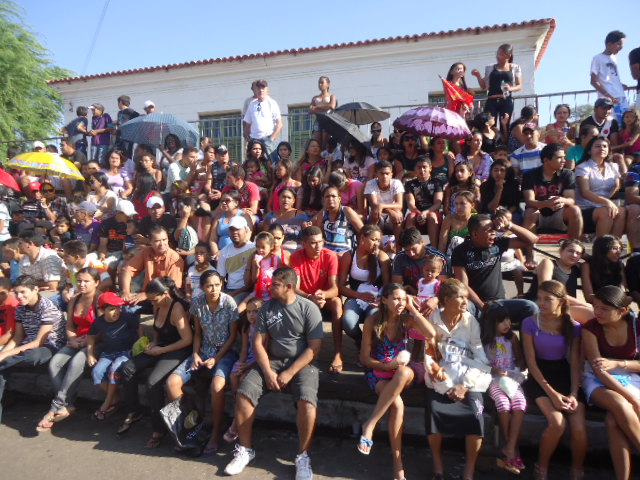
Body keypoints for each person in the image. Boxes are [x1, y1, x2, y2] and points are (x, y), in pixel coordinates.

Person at [223, 267, 322, 480]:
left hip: (302, 364)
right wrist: (268, 371)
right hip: (273, 361)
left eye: (275, 284)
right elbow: (258, 343)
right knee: (244, 393)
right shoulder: (267, 308)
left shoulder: (309, 308)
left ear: (289, 286)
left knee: (307, 402)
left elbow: (314, 348)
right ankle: (245, 450)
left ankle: (303, 456)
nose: (269, 287)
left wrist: (289, 373)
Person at [357, 283, 436, 480]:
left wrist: (413, 309)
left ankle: (370, 424)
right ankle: (398, 466)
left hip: (402, 373)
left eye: (403, 299)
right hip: (379, 372)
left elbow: (431, 334)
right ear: (384, 300)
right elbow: (364, 358)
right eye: (396, 299)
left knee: (402, 372)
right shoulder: (372, 321)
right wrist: (387, 366)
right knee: (398, 406)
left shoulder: (406, 320)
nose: (400, 303)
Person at [424, 279, 491, 480]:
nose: (465, 301)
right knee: (433, 413)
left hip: (468, 379)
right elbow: (429, 356)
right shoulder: (433, 319)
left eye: (466, 297)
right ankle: (438, 468)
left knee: (476, 417)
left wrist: (464, 385)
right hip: (440, 380)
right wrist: (446, 386)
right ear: (446, 300)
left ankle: (469, 471)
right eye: (460, 297)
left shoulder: (470, 321)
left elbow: (481, 357)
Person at [166, 270, 239, 454]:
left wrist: (216, 358)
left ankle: (215, 432)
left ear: (221, 284)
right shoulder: (198, 302)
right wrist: (196, 354)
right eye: (209, 286)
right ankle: (188, 428)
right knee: (172, 382)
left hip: (225, 353)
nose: (214, 289)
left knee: (217, 385)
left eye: (217, 285)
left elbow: (232, 336)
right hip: (203, 350)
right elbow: (197, 333)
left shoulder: (229, 303)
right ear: (202, 287)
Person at [522, 280, 587, 480]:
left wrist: (574, 392)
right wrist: (553, 394)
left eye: (547, 299)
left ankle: (577, 470)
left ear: (561, 301)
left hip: (565, 375)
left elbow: (575, 363)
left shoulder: (573, 326)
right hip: (539, 377)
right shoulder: (530, 322)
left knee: (579, 429)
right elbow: (531, 363)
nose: (541, 303)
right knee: (557, 423)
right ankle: (541, 467)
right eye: (539, 298)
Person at [117, 277, 192, 448]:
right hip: (161, 346)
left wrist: (161, 350)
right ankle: (134, 411)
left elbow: (187, 339)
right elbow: (155, 328)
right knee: (127, 368)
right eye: (150, 300)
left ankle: (159, 428)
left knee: (153, 381)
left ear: (165, 294)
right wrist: (154, 342)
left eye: (154, 299)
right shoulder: (156, 304)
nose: (151, 303)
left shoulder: (177, 308)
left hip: (177, 349)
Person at [581, 286, 640, 480]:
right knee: (621, 405)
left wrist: (618, 363)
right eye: (595, 306)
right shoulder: (591, 328)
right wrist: (632, 398)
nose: (597, 312)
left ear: (622, 311)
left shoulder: (636, 326)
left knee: (613, 421)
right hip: (597, 380)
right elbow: (599, 369)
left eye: (604, 308)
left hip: (630, 377)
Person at [36, 267, 102, 431]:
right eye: (79, 281)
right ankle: (67, 404)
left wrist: (83, 343)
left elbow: (103, 330)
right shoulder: (74, 300)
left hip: (96, 342)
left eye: (86, 281)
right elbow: (70, 325)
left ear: (96, 283)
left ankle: (55, 407)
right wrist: (72, 339)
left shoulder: (100, 300)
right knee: (55, 363)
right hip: (77, 340)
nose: (82, 284)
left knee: (77, 361)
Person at [451, 213, 538, 324]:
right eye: (489, 230)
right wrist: (483, 307)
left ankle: (521, 335)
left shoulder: (497, 243)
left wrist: (509, 225)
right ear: (475, 234)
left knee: (530, 307)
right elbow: (463, 284)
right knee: (463, 309)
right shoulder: (461, 251)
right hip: (474, 304)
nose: (494, 233)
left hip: (498, 302)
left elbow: (532, 239)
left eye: (494, 229)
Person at [0, 275, 65, 421]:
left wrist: (5, 355)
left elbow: (38, 342)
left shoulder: (48, 307)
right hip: (27, 345)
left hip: (50, 345)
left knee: (32, 356)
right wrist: (3, 353)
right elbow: (17, 337)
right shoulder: (20, 308)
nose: (19, 296)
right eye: (17, 293)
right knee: (2, 368)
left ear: (35, 289)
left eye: (23, 292)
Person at [481, 303, 527, 474]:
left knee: (520, 404)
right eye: (501, 321)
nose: (507, 324)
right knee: (503, 404)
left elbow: (520, 359)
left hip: (511, 379)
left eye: (508, 320)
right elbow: (481, 363)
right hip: (493, 380)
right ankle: (510, 446)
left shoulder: (512, 338)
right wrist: (493, 370)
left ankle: (510, 446)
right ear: (491, 323)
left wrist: (519, 370)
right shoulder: (484, 341)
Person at [289, 226, 342, 373]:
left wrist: (323, 295)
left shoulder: (330, 256)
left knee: (337, 303)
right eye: (313, 243)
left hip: (324, 299)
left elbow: (335, 289)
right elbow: (295, 287)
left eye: (320, 242)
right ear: (303, 243)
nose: (318, 246)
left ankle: (338, 353)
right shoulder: (296, 257)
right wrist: (309, 297)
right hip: (305, 298)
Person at [87, 292, 140, 421]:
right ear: (102, 310)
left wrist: (140, 342)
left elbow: (139, 327)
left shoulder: (126, 317)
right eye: (111, 309)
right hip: (109, 353)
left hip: (126, 352)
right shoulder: (99, 322)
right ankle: (116, 398)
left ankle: (108, 401)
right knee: (97, 372)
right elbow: (90, 336)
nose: (116, 312)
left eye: (117, 308)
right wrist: (90, 354)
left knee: (114, 369)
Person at [339, 225, 391, 349]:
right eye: (373, 239)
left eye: (378, 240)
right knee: (348, 324)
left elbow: (388, 286)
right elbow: (341, 286)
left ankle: (368, 349)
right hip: (355, 297)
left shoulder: (382, 257)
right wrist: (359, 295)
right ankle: (362, 343)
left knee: (373, 322)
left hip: (377, 299)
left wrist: (381, 300)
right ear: (362, 238)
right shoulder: (349, 255)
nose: (376, 243)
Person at [522, 143, 582, 239]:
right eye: (559, 158)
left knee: (575, 210)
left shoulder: (568, 174)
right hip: (538, 213)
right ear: (546, 160)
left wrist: (562, 200)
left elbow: (571, 200)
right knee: (530, 212)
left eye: (564, 157)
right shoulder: (530, 175)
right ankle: (529, 246)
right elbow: (529, 202)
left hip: (560, 214)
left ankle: (574, 244)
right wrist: (547, 203)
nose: (564, 161)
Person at [224, 296, 263, 444]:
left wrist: (248, 366)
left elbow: (264, 353)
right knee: (234, 375)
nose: (252, 315)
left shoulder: (264, 328)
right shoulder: (246, 328)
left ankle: (237, 420)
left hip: (258, 361)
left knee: (242, 379)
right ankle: (238, 409)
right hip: (248, 359)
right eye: (249, 312)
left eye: (256, 311)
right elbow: (244, 349)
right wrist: (241, 363)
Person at [527, 239, 593, 323]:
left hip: (565, 306)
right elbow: (546, 289)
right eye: (570, 251)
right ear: (561, 251)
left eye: (578, 253)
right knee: (590, 314)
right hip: (543, 303)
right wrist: (581, 304)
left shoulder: (576, 268)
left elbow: (595, 261)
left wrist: (586, 256)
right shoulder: (548, 263)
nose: (574, 255)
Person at [120, 226, 185, 308]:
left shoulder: (175, 258)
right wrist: (126, 292)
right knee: (125, 308)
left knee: (130, 310)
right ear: (150, 241)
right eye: (157, 241)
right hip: (147, 297)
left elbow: (172, 287)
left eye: (164, 240)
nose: (162, 244)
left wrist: (147, 295)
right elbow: (127, 270)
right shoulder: (146, 252)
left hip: (165, 299)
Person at [575, 137, 625, 237]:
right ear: (589, 151)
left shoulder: (613, 166)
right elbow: (585, 192)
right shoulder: (583, 167)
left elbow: (617, 186)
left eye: (605, 146)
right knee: (606, 212)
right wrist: (606, 201)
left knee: (621, 211)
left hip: (605, 205)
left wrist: (608, 201)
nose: (602, 148)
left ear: (609, 150)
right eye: (597, 146)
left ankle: (614, 243)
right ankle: (600, 244)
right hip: (586, 208)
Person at [471, 44, 522, 133]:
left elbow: (519, 86)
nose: (498, 56)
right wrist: (478, 76)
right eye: (497, 53)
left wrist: (510, 88)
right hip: (492, 100)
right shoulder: (490, 67)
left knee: (505, 125)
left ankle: (504, 141)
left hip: (506, 100)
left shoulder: (515, 67)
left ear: (508, 56)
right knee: (489, 124)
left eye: (501, 54)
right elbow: (484, 86)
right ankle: (491, 141)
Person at [391, 227, 447, 297]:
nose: (411, 254)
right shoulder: (399, 258)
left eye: (414, 249)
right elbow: (397, 286)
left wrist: (434, 299)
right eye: (407, 250)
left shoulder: (437, 257)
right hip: (408, 296)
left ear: (422, 242)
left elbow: (443, 287)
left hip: (433, 296)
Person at [312, 185, 363, 255]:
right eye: (327, 196)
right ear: (323, 199)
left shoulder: (347, 211)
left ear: (339, 198)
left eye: (333, 196)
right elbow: (319, 235)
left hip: (345, 253)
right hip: (327, 253)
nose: (330, 199)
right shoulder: (322, 214)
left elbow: (363, 231)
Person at [591, 30, 629, 123]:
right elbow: (594, 81)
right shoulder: (598, 58)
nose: (621, 47)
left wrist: (620, 85)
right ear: (609, 44)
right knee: (612, 125)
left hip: (620, 96)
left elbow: (610, 76)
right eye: (619, 44)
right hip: (609, 99)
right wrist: (609, 96)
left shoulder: (614, 58)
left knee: (626, 124)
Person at [365, 160, 404, 247]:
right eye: (381, 173)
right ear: (376, 174)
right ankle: (375, 247)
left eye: (387, 173)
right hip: (378, 216)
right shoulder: (370, 184)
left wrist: (382, 205)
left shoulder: (396, 183)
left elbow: (399, 204)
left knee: (398, 214)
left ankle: (399, 248)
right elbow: (374, 205)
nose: (384, 176)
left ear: (391, 174)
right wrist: (390, 211)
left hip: (392, 216)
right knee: (375, 213)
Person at [216, 216, 256, 303]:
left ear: (246, 230)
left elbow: (253, 282)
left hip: (247, 292)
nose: (234, 232)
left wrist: (232, 294)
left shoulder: (254, 249)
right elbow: (221, 278)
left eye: (238, 229)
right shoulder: (224, 251)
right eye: (232, 229)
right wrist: (221, 296)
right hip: (229, 290)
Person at [404, 157, 443, 243]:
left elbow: (438, 203)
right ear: (415, 169)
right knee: (410, 217)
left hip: (433, 212)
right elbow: (410, 204)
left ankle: (434, 248)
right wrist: (419, 214)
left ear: (430, 168)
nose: (422, 170)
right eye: (419, 167)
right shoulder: (409, 184)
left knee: (432, 216)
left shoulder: (437, 182)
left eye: (424, 167)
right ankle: (411, 245)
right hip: (416, 212)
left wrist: (425, 213)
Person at [263, 188, 312, 253]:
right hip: (276, 252)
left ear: (293, 200)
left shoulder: (302, 216)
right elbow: (266, 238)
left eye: (289, 198)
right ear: (278, 198)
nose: (286, 200)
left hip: (297, 251)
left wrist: (306, 230)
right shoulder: (270, 217)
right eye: (283, 197)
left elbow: (308, 237)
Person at [581, 234, 626, 303]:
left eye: (620, 248)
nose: (619, 252)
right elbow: (589, 297)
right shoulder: (587, 266)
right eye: (614, 248)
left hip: (617, 303)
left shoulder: (619, 265)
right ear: (603, 249)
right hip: (598, 304)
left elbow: (623, 290)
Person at [209, 189, 252, 260]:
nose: (224, 203)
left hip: (238, 253)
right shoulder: (218, 217)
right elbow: (212, 240)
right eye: (222, 201)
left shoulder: (244, 215)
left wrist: (227, 252)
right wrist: (216, 254)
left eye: (227, 200)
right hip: (220, 255)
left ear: (236, 203)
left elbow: (247, 237)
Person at [242, 79, 282, 155]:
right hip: (254, 140)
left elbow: (279, 124)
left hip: (267, 138)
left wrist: (271, 139)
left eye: (263, 88)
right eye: (258, 88)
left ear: (267, 89)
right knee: (253, 161)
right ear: (256, 90)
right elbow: (247, 123)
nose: (261, 90)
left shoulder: (272, 103)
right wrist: (247, 138)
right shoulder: (252, 104)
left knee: (271, 160)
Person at [309, 76, 337, 149]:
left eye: (322, 82)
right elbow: (311, 110)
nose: (320, 85)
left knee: (325, 144)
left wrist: (317, 107)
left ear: (328, 84)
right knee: (318, 144)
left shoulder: (332, 96)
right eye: (319, 83)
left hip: (328, 120)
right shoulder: (315, 98)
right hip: (318, 120)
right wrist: (324, 107)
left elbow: (332, 106)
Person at [0, 278, 18, 349]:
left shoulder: (12, 306)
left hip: (3, 343)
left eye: (2, 293)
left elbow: (9, 335)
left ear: (10, 291)